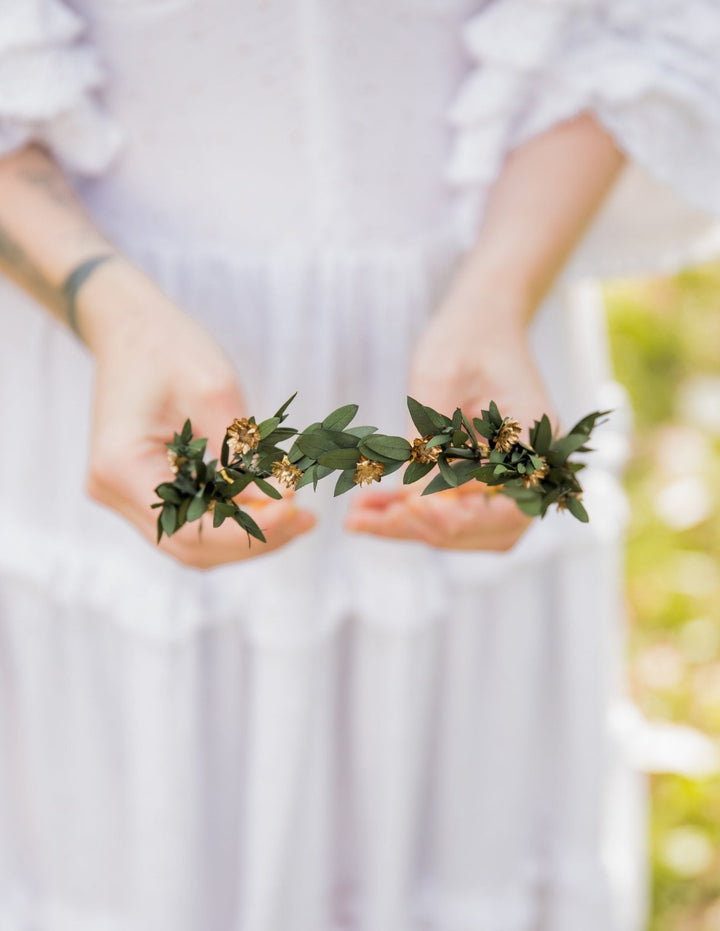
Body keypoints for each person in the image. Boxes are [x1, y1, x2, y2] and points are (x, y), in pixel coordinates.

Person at [0, 2, 718, 929]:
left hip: (482, 330)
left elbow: (637, 27)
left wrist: (501, 289)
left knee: (464, 825)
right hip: (115, 376)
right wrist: (100, 299)